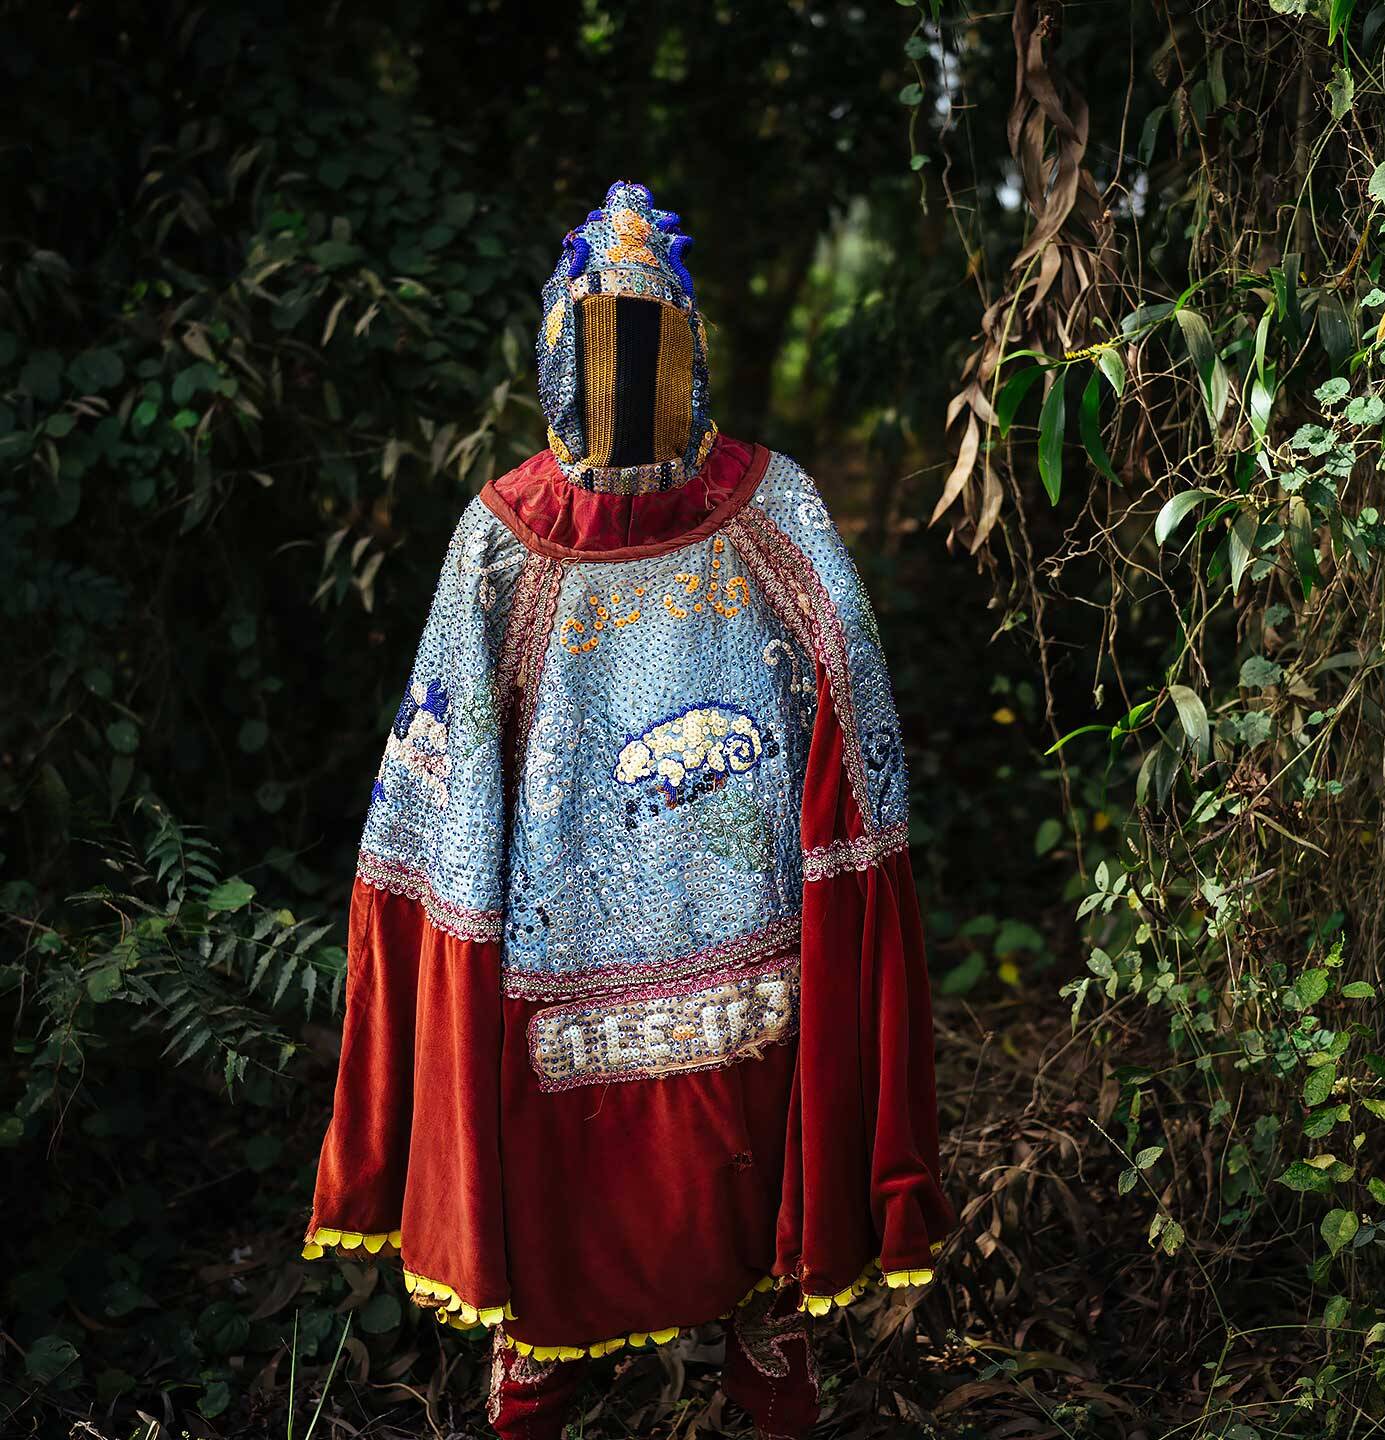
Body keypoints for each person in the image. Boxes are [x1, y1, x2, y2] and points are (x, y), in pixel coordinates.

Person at [301, 180, 953, 1439]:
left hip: (726, 945)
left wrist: (846, 850)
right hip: (583, 954)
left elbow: (852, 695)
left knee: (734, 1220)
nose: (625, 373)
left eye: (646, 340)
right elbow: (445, 764)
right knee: (591, 1229)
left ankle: (712, 1345)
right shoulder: (515, 534)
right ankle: (587, 1360)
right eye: (604, 343)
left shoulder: (760, 507)